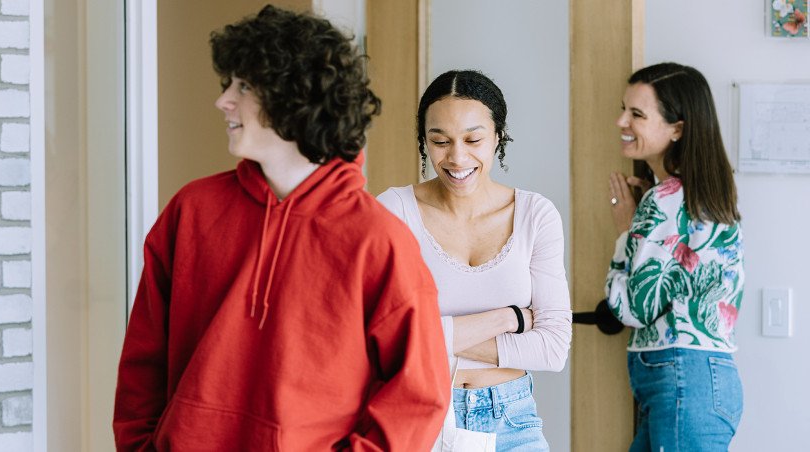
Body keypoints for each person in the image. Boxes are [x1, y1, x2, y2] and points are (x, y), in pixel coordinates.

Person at [113, 5, 451, 451]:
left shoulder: (377, 240)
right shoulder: (191, 211)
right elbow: (143, 363)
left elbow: (416, 397)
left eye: (245, 85)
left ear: (295, 95)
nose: (223, 100)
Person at [377, 70, 572, 451]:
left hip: (513, 418)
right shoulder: (393, 210)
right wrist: (509, 318)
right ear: (424, 141)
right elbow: (381, 339)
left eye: (473, 139)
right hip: (420, 414)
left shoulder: (536, 214)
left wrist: (427, 337)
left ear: (498, 136)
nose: (457, 157)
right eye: (439, 141)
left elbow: (552, 349)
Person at [605, 62, 745, 451]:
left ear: (677, 129)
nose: (621, 121)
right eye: (624, 108)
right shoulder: (706, 193)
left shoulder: (665, 200)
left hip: (683, 378)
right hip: (700, 381)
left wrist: (625, 231)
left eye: (636, 114)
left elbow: (633, 307)